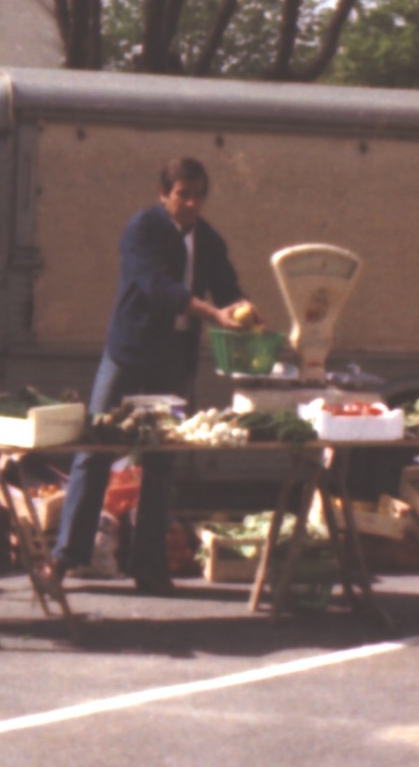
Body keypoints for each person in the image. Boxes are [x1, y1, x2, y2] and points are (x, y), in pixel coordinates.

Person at [44, 157, 259, 595]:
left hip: (174, 359)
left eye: (199, 194)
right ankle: (65, 559)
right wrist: (213, 313)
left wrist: (244, 309)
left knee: (163, 459)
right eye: (183, 194)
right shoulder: (141, 229)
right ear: (164, 194)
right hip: (129, 352)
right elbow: (157, 288)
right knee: (95, 447)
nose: (192, 203)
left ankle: (150, 567)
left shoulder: (209, 239)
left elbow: (227, 285)